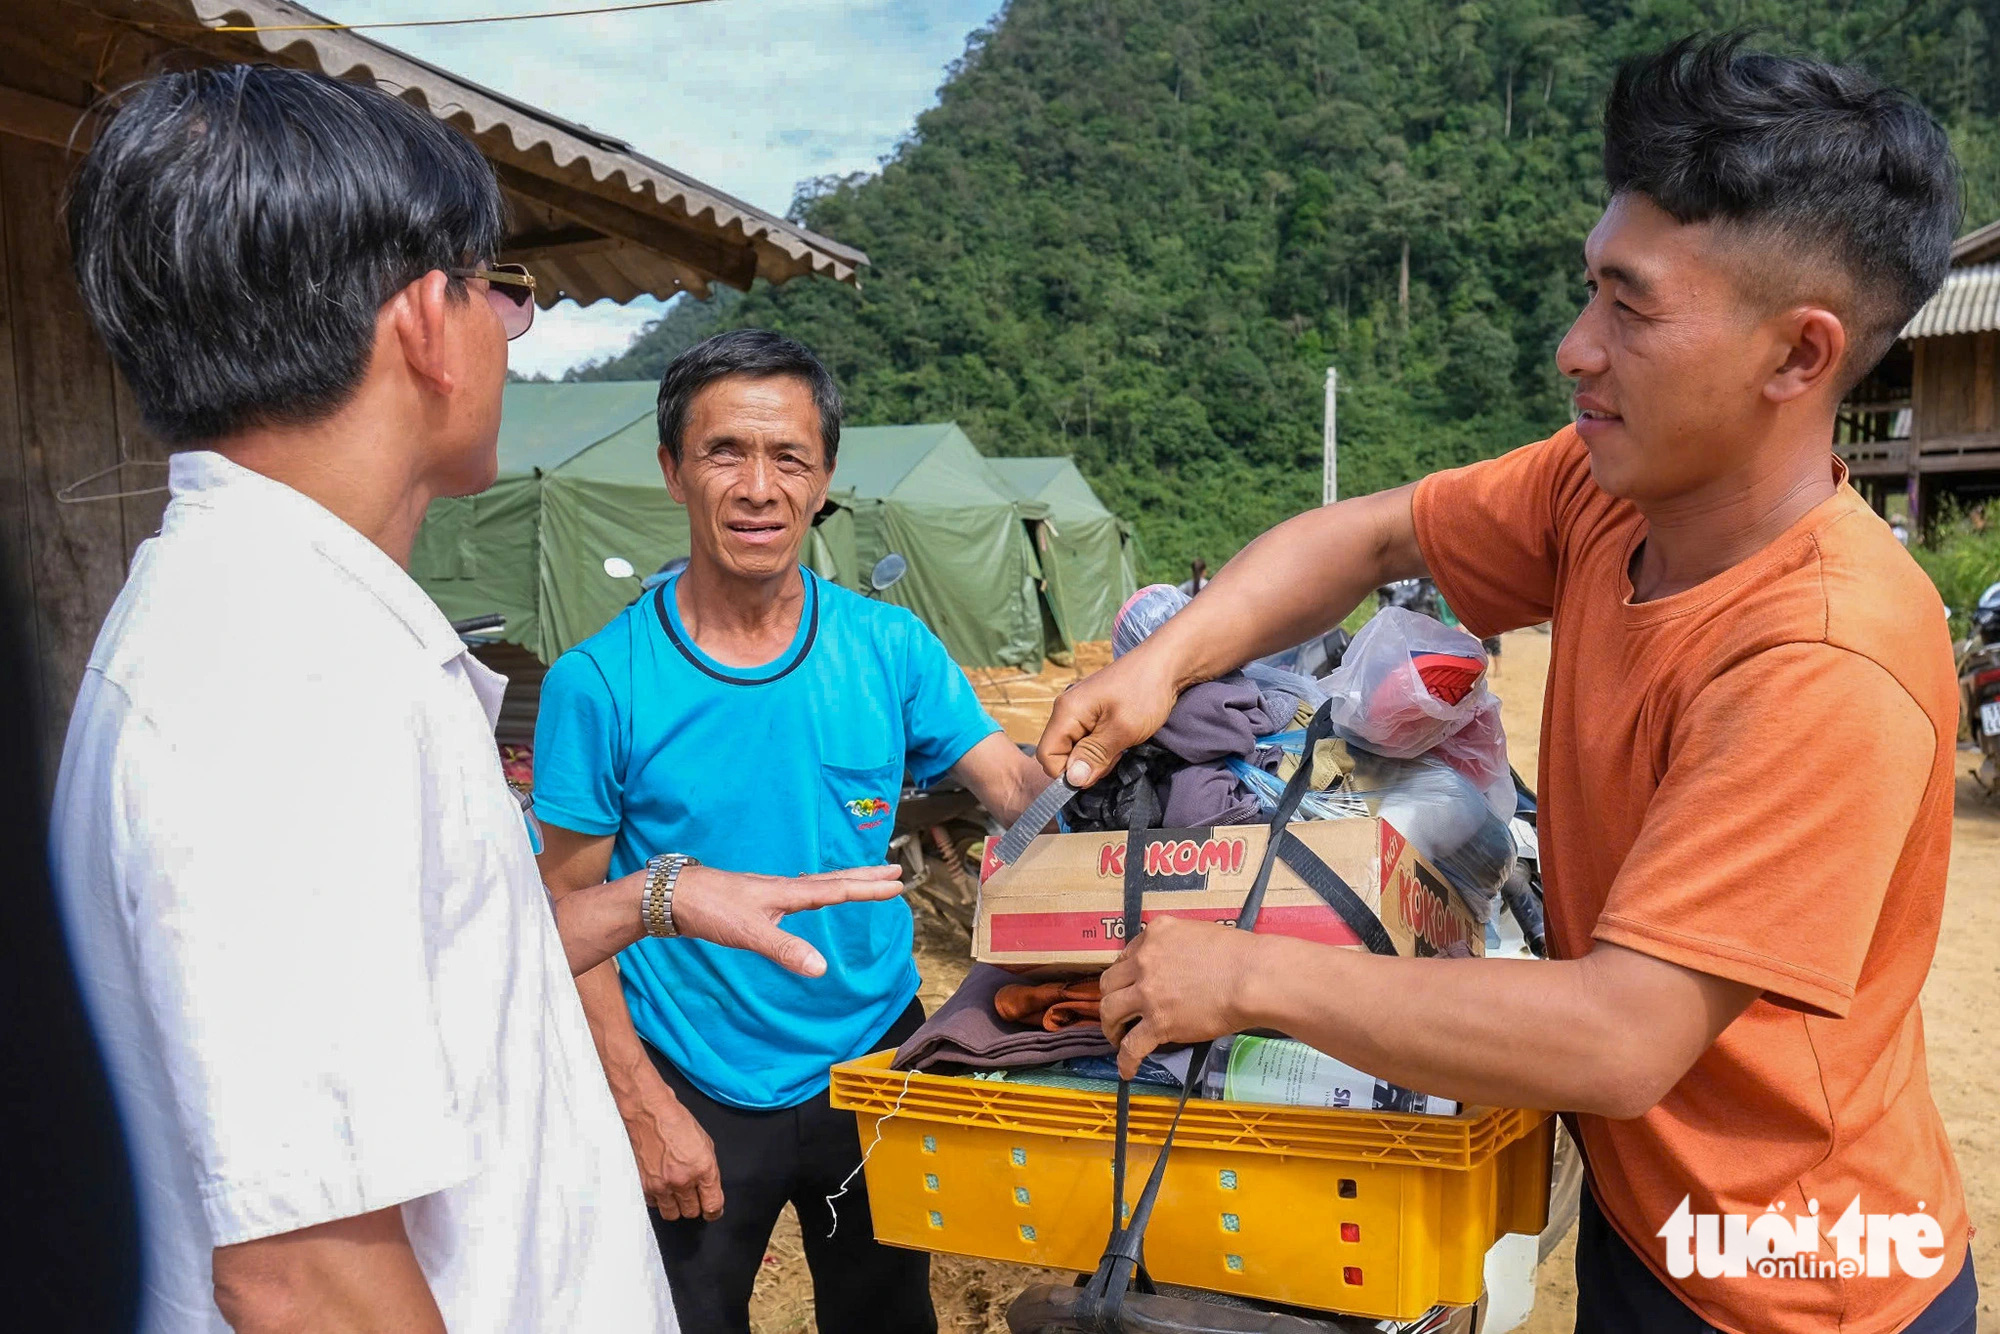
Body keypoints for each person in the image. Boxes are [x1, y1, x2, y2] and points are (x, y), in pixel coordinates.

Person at [1041, 36, 1975, 1334]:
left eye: (1631, 306)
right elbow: (1367, 538)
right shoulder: (1608, 491)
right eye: (1589, 289)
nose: (1574, 347)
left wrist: (1251, 977)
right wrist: (1167, 661)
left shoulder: (1821, 659)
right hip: (1649, 1209)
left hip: (1798, 1280)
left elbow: (1621, 1033)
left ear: (1797, 355)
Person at [49, 66, 901, 1333]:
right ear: (421, 322)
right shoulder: (282, 686)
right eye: (503, 291)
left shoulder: (293, 627)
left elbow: (420, 985)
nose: (513, 331)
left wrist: (655, 896)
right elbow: (305, 1272)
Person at [532, 328, 1050, 1334]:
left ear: (824, 480)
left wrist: (1118, 761)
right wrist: (642, 1103)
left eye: (788, 457)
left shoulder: (888, 646)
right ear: (671, 470)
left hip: (874, 1057)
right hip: (696, 1074)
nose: (757, 486)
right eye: (724, 451)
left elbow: (1011, 786)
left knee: (887, 1311)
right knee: (690, 1315)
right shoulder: (598, 684)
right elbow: (565, 914)